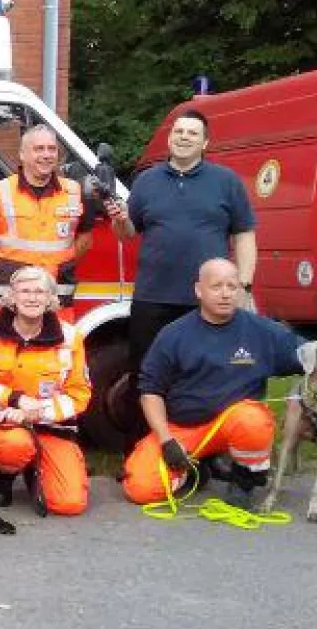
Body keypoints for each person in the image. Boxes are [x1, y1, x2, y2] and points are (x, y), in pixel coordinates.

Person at [106, 109, 257, 438]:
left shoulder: (226, 182)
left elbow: (245, 236)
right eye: (178, 131)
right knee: (146, 375)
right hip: (153, 296)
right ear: (170, 138)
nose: (184, 137)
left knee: (210, 374)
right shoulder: (146, 181)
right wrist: (119, 219)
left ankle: (208, 449)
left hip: (207, 299)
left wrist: (244, 287)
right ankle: (144, 449)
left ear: (205, 142)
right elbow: (128, 232)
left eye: (192, 133)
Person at [122, 258, 304, 509]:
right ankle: (195, 471)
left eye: (232, 286)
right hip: (183, 428)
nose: (225, 294)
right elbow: (150, 392)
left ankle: (244, 482)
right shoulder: (173, 335)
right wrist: (166, 441)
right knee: (140, 489)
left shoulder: (263, 332)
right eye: (216, 286)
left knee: (253, 419)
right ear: (199, 290)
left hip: (235, 424)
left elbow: (311, 356)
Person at [0, 265, 92, 516]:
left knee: (69, 504)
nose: (32, 298)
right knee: (13, 445)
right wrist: (15, 400)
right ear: (12, 297)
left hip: (52, 426)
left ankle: (37, 471)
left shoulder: (71, 337)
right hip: (3, 423)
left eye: (40, 292)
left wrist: (39, 412)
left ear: (51, 299)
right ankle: (2, 477)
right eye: (25, 291)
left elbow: (79, 394)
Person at [0, 124, 96, 318]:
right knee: (7, 348)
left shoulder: (76, 192)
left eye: (51, 149)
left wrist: (61, 265)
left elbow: (85, 240)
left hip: (57, 299)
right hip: (12, 300)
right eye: (39, 149)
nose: (46, 155)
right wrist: (4, 270)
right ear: (22, 154)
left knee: (59, 347)